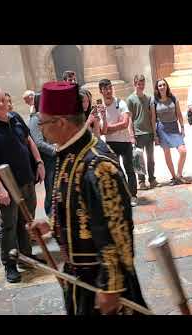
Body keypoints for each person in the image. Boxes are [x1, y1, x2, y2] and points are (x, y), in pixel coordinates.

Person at [29, 81, 147, 315]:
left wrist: (111, 287)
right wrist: (52, 226)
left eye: (42, 123)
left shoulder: (98, 165)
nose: (40, 130)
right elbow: (80, 209)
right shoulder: (68, 153)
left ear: (60, 122)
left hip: (103, 286)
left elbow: (117, 231)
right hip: (80, 280)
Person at [0, 87, 46, 283]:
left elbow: (28, 140)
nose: (3, 104)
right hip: (8, 186)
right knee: (9, 226)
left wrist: (38, 162)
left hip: (27, 179)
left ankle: (25, 256)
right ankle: (10, 264)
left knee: (26, 220)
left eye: (4, 99)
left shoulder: (14, 117)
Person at [99, 79, 138, 207]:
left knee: (129, 170)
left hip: (125, 141)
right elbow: (103, 131)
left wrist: (110, 127)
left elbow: (125, 123)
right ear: (101, 91)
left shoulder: (121, 103)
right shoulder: (100, 108)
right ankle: (124, 195)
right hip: (111, 143)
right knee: (117, 171)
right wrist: (113, 126)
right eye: (105, 89)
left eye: (110, 88)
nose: (108, 91)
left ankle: (133, 195)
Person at [151, 78, 188, 185]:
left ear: (167, 86)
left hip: (174, 127)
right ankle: (174, 176)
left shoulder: (173, 98)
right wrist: (155, 135)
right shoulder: (154, 101)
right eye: (160, 86)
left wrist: (182, 127)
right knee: (167, 153)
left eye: (164, 85)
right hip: (162, 129)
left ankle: (179, 174)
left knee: (183, 151)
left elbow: (179, 114)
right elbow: (153, 119)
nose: (162, 87)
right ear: (157, 88)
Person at [126, 74, 159, 189]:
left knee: (151, 158)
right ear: (135, 84)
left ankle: (152, 178)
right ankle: (141, 181)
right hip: (138, 134)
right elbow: (129, 118)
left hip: (149, 132)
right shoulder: (130, 99)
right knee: (138, 159)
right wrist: (131, 135)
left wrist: (155, 134)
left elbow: (152, 117)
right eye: (139, 84)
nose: (141, 86)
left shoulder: (148, 98)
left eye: (142, 84)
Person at [28, 93, 57, 216]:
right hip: (47, 159)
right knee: (51, 190)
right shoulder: (35, 120)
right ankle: (51, 216)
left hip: (55, 158)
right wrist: (55, 150)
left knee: (57, 189)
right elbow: (38, 143)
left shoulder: (47, 117)